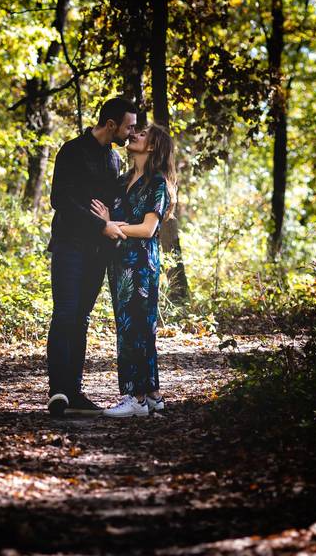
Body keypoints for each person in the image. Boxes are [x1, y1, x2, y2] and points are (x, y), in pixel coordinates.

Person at [46, 98, 137, 417]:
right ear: (111, 125)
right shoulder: (71, 151)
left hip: (98, 252)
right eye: (129, 126)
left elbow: (112, 202)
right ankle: (58, 391)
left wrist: (110, 219)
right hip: (69, 245)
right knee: (66, 313)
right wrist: (101, 224)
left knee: (81, 318)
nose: (131, 132)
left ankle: (73, 390)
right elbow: (61, 200)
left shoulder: (113, 160)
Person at [90, 124, 176, 418]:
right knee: (131, 327)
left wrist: (114, 226)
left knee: (137, 329)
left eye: (141, 135)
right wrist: (107, 220)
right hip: (119, 263)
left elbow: (148, 228)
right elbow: (114, 217)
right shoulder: (123, 180)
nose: (133, 136)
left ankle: (135, 398)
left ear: (151, 147)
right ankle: (153, 394)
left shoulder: (157, 182)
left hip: (142, 264)